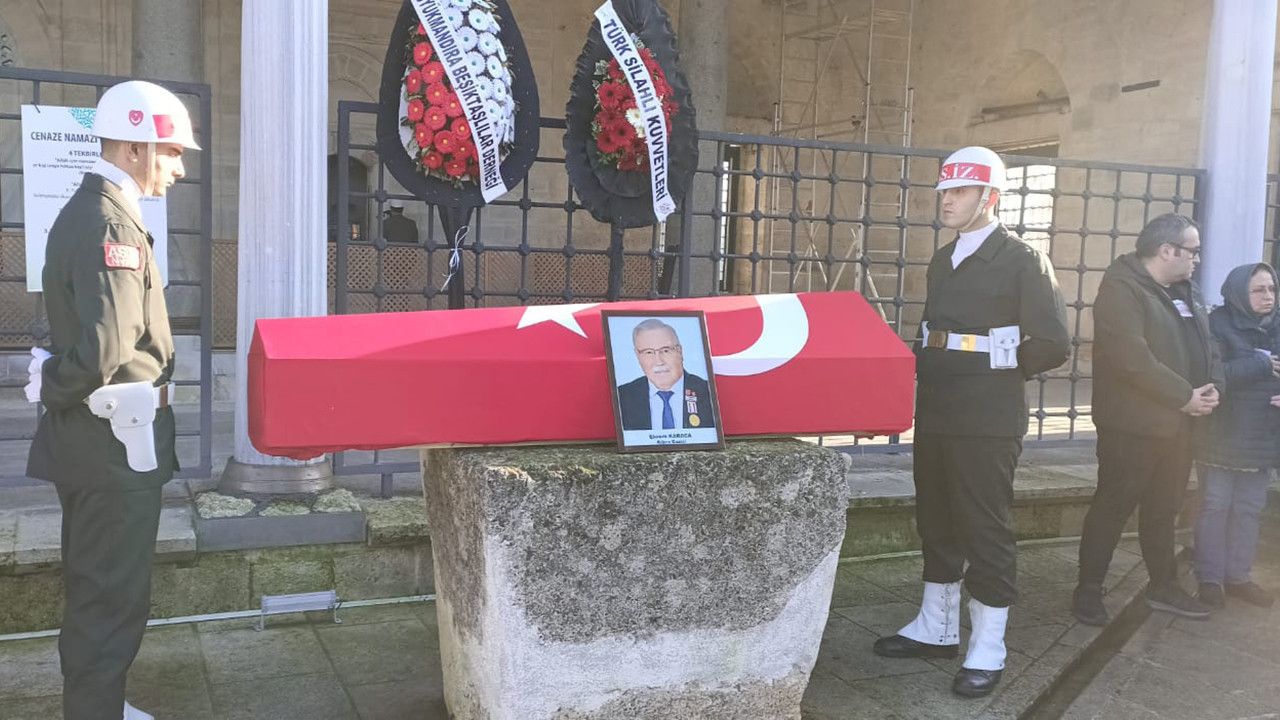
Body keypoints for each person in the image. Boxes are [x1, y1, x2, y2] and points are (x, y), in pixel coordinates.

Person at [23, 80, 199, 720]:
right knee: (110, 598)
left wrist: (53, 377)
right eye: (170, 152)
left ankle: (101, 704)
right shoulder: (108, 221)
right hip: (112, 444)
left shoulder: (102, 212)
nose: (179, 168)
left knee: (101, 587)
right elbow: (107, 346)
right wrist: (52, 382)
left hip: (107, 441)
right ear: (132, 147)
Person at [871, 146, 1070, 698]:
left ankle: (988, 645)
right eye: (945, 191)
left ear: (990, 197)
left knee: (984, 527)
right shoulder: (943, 258)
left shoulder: (1023, 258)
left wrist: (998, 372)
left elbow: (1053, 342)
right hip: (938, 408)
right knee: (936, 518)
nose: (948, 201)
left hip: (987, 416)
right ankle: (935, 628)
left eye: (960, 191)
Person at [1073, 213, 1221, 627]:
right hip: (1132, 428)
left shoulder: (1186, 290)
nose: (1196, 259)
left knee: (1163, 509)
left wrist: (1215, 389)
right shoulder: (1121, 289)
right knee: (1112, 508)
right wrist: (1184, 396)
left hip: (1179, 426)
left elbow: (1210, 345)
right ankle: (1088, 590)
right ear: (1166, 250)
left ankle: (1164, 585)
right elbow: (1132, 359)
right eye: (1192, 251)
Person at [1194, 262, 1279, 608]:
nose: (1268, 296)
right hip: (1222, 434)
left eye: (1272, 289)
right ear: (1239, 293)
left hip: (1263, 437)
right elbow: (1211, 373)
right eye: (1258, 290)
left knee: (1249, 509)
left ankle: (1239, 577)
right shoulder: (1216, 324)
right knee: (1215, 506)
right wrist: (1260, 364)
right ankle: (1210, 578)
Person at [617, 318, 715, 431]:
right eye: (648, 352)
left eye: (665, 350)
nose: (659, 361)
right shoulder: (622, 397)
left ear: (679, 351)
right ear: (637, 356)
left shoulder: (708, 392)